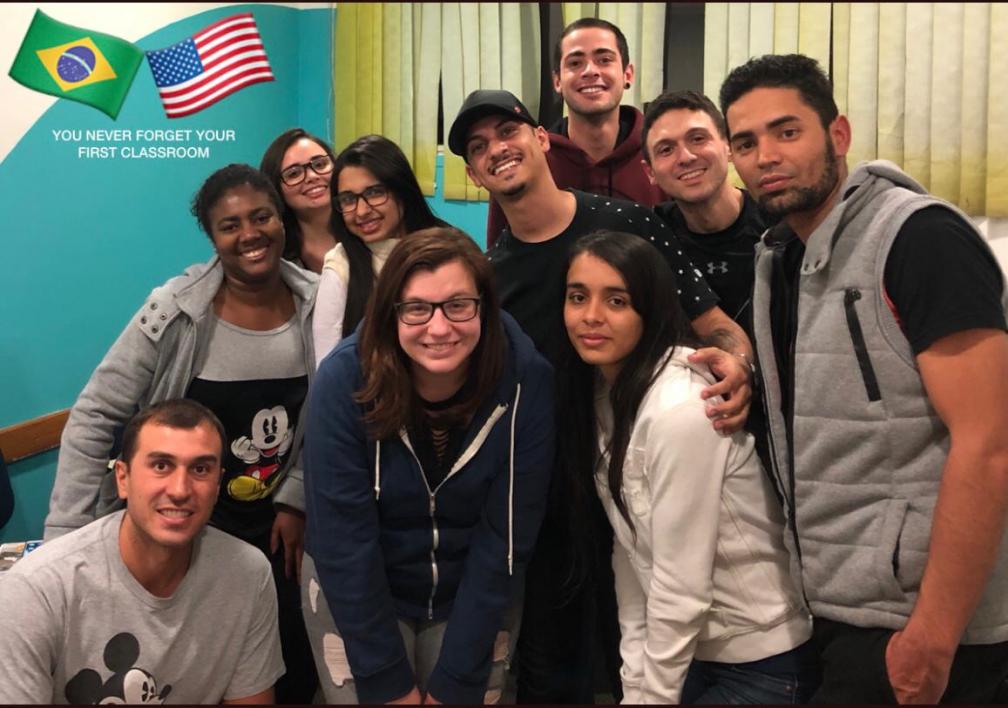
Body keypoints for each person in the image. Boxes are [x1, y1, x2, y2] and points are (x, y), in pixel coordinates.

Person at [448, 88, 755, 704]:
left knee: (658, 651)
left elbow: (716, 325)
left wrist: (738, 366)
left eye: (507, 133)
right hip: (553, 497)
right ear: (473, 173)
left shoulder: (626, 224)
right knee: (556, 670)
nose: (495, 151)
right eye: (478, 149)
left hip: (650, 481)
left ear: (541, 138)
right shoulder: (490, 273)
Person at [721, 53, 1008, 703]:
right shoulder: (780, 260)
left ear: (838, 136)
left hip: (929, 628)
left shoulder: (920, 237)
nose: (766, 154)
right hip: (835, 610)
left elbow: (990, 445)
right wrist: (744, 371)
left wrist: (932, 638)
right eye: (746, 141)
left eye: (786, 131)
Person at [46, 163, 319, 703]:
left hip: (280, 534)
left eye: (261, 216)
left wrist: (297, 495)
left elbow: (336, 411)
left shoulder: (322, 302)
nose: (249, 235)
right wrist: (65, 541)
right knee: (180, 670)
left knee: (283, 674)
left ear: (280, 218)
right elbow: (95, 415)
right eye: (229, 225)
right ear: (212, 237)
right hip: (183, 520)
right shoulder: (175, 311)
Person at [559, 230, 815, 703]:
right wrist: (634, 687)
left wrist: (651, 698)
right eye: (578, 297)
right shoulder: (602, 397)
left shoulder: (681, 408)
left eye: (617, 301)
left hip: (759, 656)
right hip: (695, 652)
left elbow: (682, 586)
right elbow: (631, 554)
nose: (591, 316)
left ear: (650, 309)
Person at [302, 227, 553, 704]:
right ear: (390, 312)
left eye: (459, 305)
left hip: (471, 587)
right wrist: (386, 683)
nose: (439, 328)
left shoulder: (525, 381)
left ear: (485, 306)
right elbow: (343, 541)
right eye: (417, 308)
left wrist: (456, 682)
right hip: (362, 582)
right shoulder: (343, 380)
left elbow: (506, 537)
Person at [0, 400, 284, 704]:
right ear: (123, 478)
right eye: (161, 465)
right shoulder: (34, 592)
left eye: (200, 469)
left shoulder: (248, 575)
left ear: (217, 486)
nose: (179, 489)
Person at [641, 89, 773, 471]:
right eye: (665, 150)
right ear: (650, 172)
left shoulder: (780, 230)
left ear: (727, 145)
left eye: (698, 139)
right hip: (693, 426)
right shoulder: (652, 239)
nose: (685, 157)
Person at [485, 18, 664, 247]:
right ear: (557, 81)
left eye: (604, 60)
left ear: (627, 74)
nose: (590, 71)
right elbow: (501, 258)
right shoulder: (528, 160)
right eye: (576, 63)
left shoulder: (659, 154)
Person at [312, 134, 449, 367]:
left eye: (375, 192)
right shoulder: (341, 265)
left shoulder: (449, 249)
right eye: (348, 199)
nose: (362, 211)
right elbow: (328, 368)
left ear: (401, 190)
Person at [261, 127, 337, 272]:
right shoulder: (274, 258)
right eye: (294, 174)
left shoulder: (367, 229)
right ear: (276, 189)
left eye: (320, 164)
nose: (312, 176)